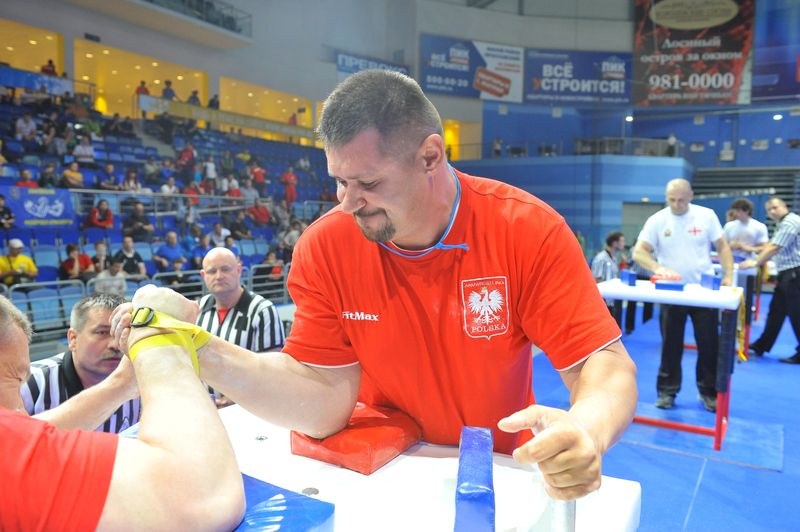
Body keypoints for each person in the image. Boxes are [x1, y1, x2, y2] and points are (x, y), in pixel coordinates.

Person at [112, 70, 637, 501]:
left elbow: (603, 364)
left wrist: (587, 429)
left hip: (498, 468)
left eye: (368, 183)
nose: (347, 202)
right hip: (384, 470)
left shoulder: (525, 228)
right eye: (339, 181)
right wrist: (203, 351)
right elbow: (319, 402)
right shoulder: (326, 245)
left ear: (431, 156)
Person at [1, 290, 245, 530]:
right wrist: (159, 340)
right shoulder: (39, 384)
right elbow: (202, 494)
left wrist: (123, 382)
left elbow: (29, 439)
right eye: (15, 379)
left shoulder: (130, 378)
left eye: (116, 333)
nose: (113, 344)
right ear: (72, 338)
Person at [633, 178, 733, 413]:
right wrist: (658, 268)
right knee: (670, 345)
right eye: (671, 200)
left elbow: (723, 247)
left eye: (681, 199)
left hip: (703, 291)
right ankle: (667, 392)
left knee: (709, 345)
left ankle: (708, 393)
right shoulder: (657, 220)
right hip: (672, 292)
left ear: (691, 196)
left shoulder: (706, 215)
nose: (677, 204)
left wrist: (728, 275)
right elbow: (639, 252)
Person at [21, 294, 139, 433]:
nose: (115, 344)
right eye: (102, 332)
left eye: (122, 332)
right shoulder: (28, 383)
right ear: (73, 339)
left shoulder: (143, 383)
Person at [197, 248, 285, 405]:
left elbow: (271, 371)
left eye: (225, 269)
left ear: (238, 270)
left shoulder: (262, 310)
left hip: (250, 409)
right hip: (207, 409)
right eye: (212, 271)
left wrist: (231, 401)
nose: (219, 276)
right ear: (203, 276)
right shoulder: (198, 309)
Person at [740, 197, 800, 363]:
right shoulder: (782, 223)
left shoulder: (790, 222)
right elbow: (771, 245)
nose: (772, 212)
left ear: (784, 206)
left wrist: (755, 261)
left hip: (795, 274)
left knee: (797, 315)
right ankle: (762, 345)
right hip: (786, 274)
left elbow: (775, 247)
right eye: (769, 210)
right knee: (775, 312)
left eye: (775, 207)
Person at [591, 231, 626, 322]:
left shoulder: (614, 257)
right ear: (614, 243)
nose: (624, 244)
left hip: (613, 300)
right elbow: (597, 280)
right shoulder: (601, 258)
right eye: (622, 241)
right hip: (604, 303)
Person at [723, 198, 768, 263]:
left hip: (750, 263)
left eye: (738, 211)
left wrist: (748, 248)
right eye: (734, 211)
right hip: (731, 261)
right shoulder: (728, 226)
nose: (735, 213)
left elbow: (765, 248)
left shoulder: (759, 226)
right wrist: (730, 246)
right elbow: (721, 246)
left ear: (747, 211)